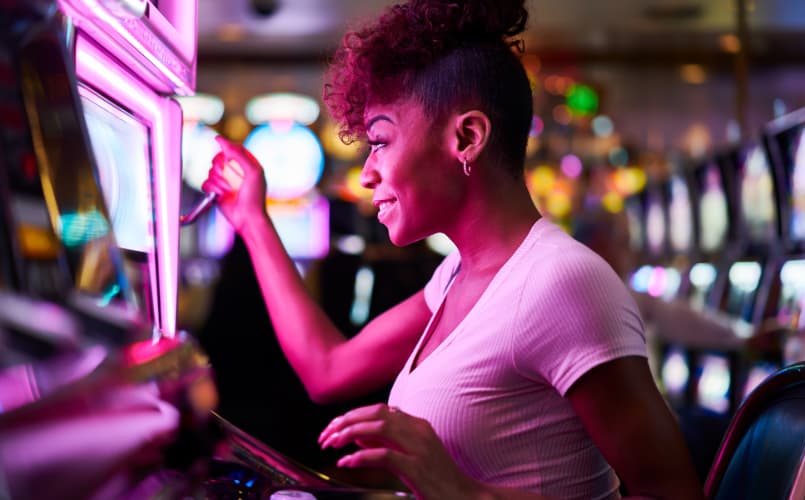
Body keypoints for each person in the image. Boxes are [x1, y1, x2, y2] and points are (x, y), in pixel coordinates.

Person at [202, 0, 705, 498]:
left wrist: (468, 494)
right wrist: (251, 217)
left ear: (467, 136)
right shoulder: (456, 276)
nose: (367, 172)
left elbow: (673, 494)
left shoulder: (562, 281)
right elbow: (328, 370)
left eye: (379, 141)